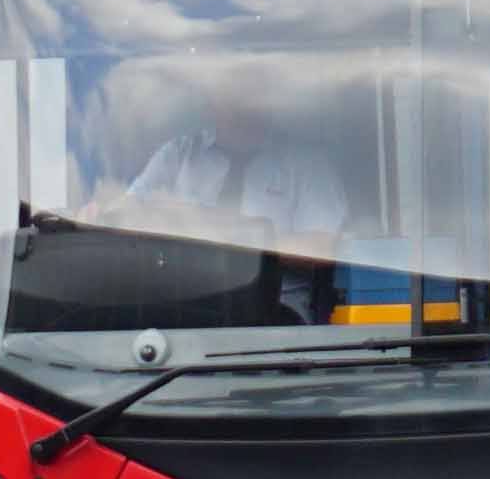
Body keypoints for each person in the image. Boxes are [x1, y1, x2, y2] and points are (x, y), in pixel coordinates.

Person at [110, 89, 353, 320]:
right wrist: (103, 212)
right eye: (231, 99)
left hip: (278, 305)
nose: (243, 110)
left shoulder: (308, 164)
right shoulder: (178, 154)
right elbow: (127, 214)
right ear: (211, 104)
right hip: (184, 300)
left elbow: (320, 249)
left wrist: (225, 233)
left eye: (251, 100)